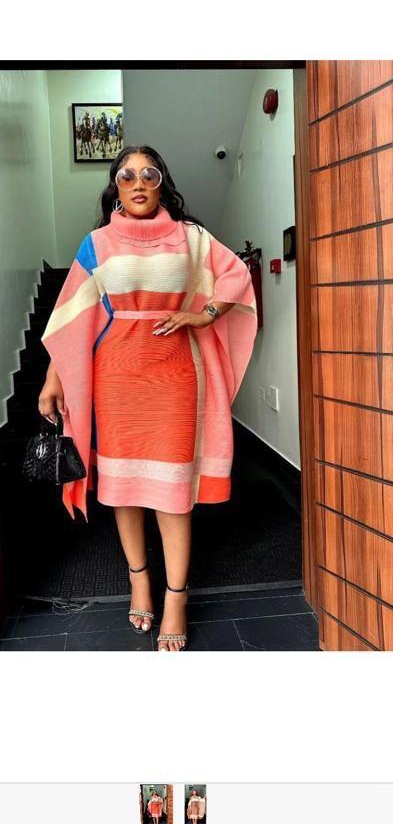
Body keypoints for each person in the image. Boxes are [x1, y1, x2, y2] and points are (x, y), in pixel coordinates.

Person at [39, 145, 257, 651]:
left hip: (175, 377)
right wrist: (54, 378)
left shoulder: (191, 239)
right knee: (124, 488)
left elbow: (237, 275)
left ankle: (176, 597)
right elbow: (73, 317)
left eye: (149, 174)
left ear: (163, 184)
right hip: (116, 378)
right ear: (115, 186)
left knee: (173, 492)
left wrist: (203, 314)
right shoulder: (97, 243)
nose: (138, 183)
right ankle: (139, 580)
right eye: (127, 175)